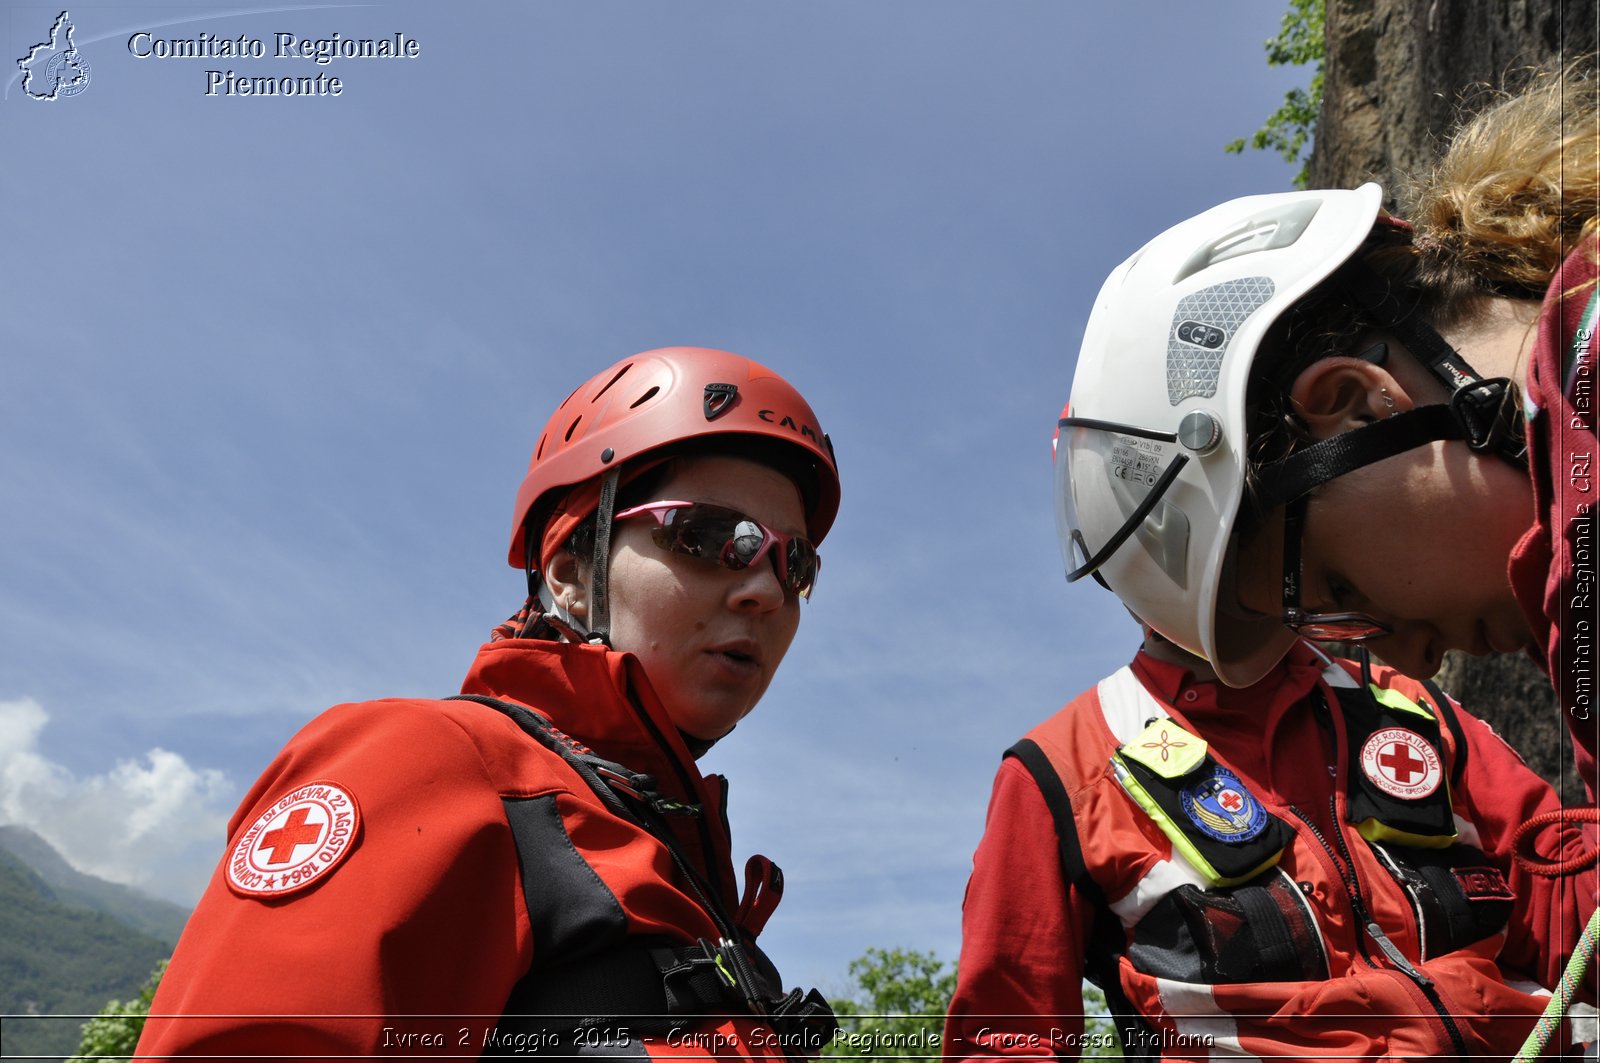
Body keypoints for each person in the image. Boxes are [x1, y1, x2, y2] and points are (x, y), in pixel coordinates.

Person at [944, 70, 1599, 1060]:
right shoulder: (1062, 771)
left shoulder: (1424, 720)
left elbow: (1570, 901)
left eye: (1328, 593)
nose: (1407, 660)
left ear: (1356, 402)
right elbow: (1005, 1038)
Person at [135, 346, 842, 1060]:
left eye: (795, 562)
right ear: (569, 572)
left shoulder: (682, 863)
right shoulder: (427, 760)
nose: (768, 591)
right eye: (712, 536)